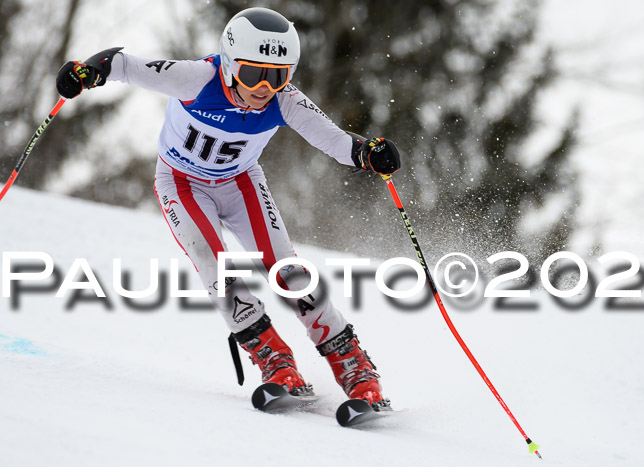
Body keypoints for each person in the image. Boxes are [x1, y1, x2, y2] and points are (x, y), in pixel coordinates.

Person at [55, 7, 400, 409]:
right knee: (217, 269)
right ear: (231, 63)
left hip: (240, 183)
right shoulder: (196, 78)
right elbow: (123, 64)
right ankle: (276, 363)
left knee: (285, 271)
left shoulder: (285, 101)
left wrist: (368, 153)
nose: (264, 87)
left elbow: (338, 143)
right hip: (181, 183)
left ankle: (355, 369)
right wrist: (87, 72)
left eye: (279, 75)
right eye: (254, 73)